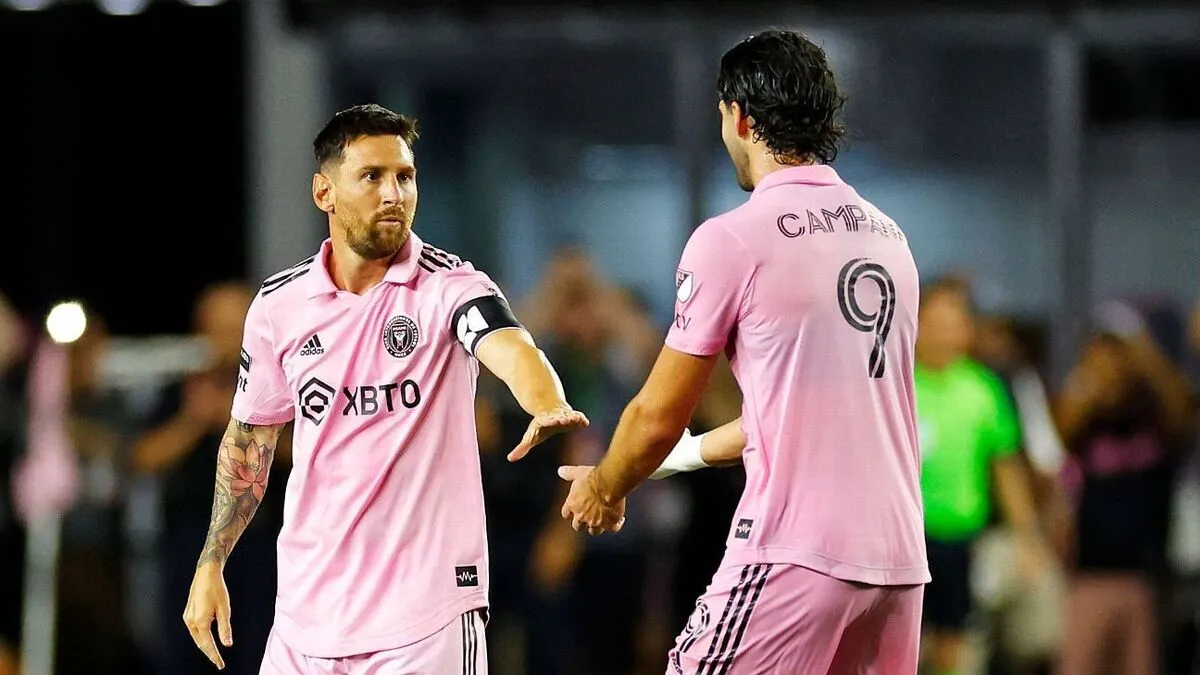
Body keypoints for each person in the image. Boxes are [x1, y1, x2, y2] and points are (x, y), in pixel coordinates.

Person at [558, 29, 929, 674]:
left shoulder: (734, 239)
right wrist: (679, 459)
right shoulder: (889, 238)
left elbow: (656, 412)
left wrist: (606, 486)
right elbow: (793, 419)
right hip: (897, 566)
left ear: (740, 117)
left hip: (796, 551)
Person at [181, 104, 588, 674]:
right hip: (305, 622)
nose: (394, 193)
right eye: (372, 177)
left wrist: (546, 401)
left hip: (425, 623)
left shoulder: (450, 286)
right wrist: (211, 561)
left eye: (405, 176)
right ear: (324, 193)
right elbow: (250, 441)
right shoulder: (278, 306)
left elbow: (510, 345)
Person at [911, 279, 1052, 675]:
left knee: (955, 640)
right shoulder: (896, 385)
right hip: (904, 539)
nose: (943, 334)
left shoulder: (983, 390)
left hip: (960, 541)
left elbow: (1006, 470)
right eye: (934, 323)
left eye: (953, 324)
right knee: (902, 642)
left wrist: (1027, 537)